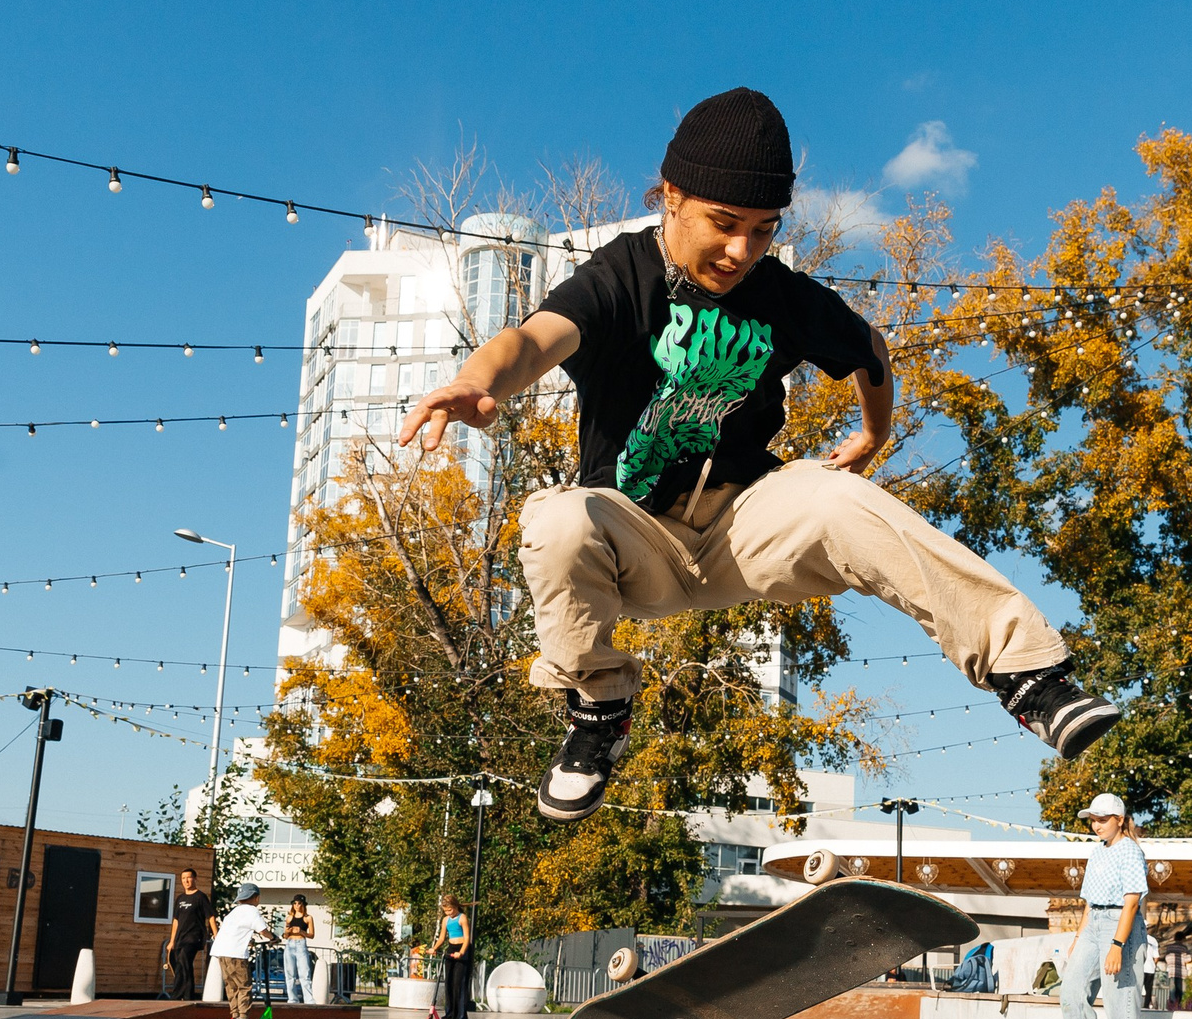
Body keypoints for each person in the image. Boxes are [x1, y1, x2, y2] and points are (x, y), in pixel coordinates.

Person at [397, 87, 1119, 823]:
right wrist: (477, 381)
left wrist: (875, 433)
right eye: (724, 224)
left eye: (763, 230)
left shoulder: (779, 295)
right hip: (634, 542)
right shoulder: (621, 277)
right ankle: (600, 702)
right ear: (672, 195)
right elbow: (536, 337)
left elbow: (869, 349)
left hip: (743, 529)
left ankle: (1028, 674)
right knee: (555, 519)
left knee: (838, 497)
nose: (741, 251)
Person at [1056, 793, 1149, 1019]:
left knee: (1119, 1002)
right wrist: (1078, 939)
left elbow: (1132, 902)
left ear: (1119, 819)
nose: (1096, 825)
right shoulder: (1096, 853)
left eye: (1102, 819)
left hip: (1121, 925)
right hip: (1094, 923)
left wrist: (1117, 945)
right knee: (1070, 989)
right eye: (1092, 820)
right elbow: (1089, 903)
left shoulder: (1130, 853)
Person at [211, 880, 265, 1019]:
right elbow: (263, 930)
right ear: (255, 897)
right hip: (236, 955)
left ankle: (234, 1017)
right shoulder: (252, 911)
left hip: (221, 953)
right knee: (244, 986)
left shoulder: (233, 912)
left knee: (231, 986)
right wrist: (274, 937)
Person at [163, 868, 212, 1000]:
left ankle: (176, 995)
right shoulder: (180, 898)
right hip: (180, 938)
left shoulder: (200, 897)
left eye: (189, 878)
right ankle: (188, 995)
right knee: (181, 964)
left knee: (183, 961)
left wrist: (216, 935)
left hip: (194, 937)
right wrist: (172, 941)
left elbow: (211, 916)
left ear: (195, 879)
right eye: (183, 878)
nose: (186, 881)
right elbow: (176, 921)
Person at [437, 895, 473, 1019]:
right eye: (446, 911)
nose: (448, 913)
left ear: (456, 906)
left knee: (459, 984)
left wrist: (461, 953)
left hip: (462, 949)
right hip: (451, 948)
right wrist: (434, 948)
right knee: (449, 983)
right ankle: (450, 1014)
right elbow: (442, 938)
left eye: (450, 910)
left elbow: (467, 938)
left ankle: (461, 1017)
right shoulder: (445, 920)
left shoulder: (462, 918)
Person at [280, 894, 315, 1006]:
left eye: (299, 903)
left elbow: (311, 935)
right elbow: (285, 935)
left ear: (303, 904)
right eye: (295, 903)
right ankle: (292, 999)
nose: (297, 905)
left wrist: (301, 931)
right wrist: (287, 931)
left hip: (301, 943)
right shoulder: (289, 917)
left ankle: (309, 1000)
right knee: (290, 974)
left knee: (305, 973)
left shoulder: (308, 918)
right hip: (290, 944)